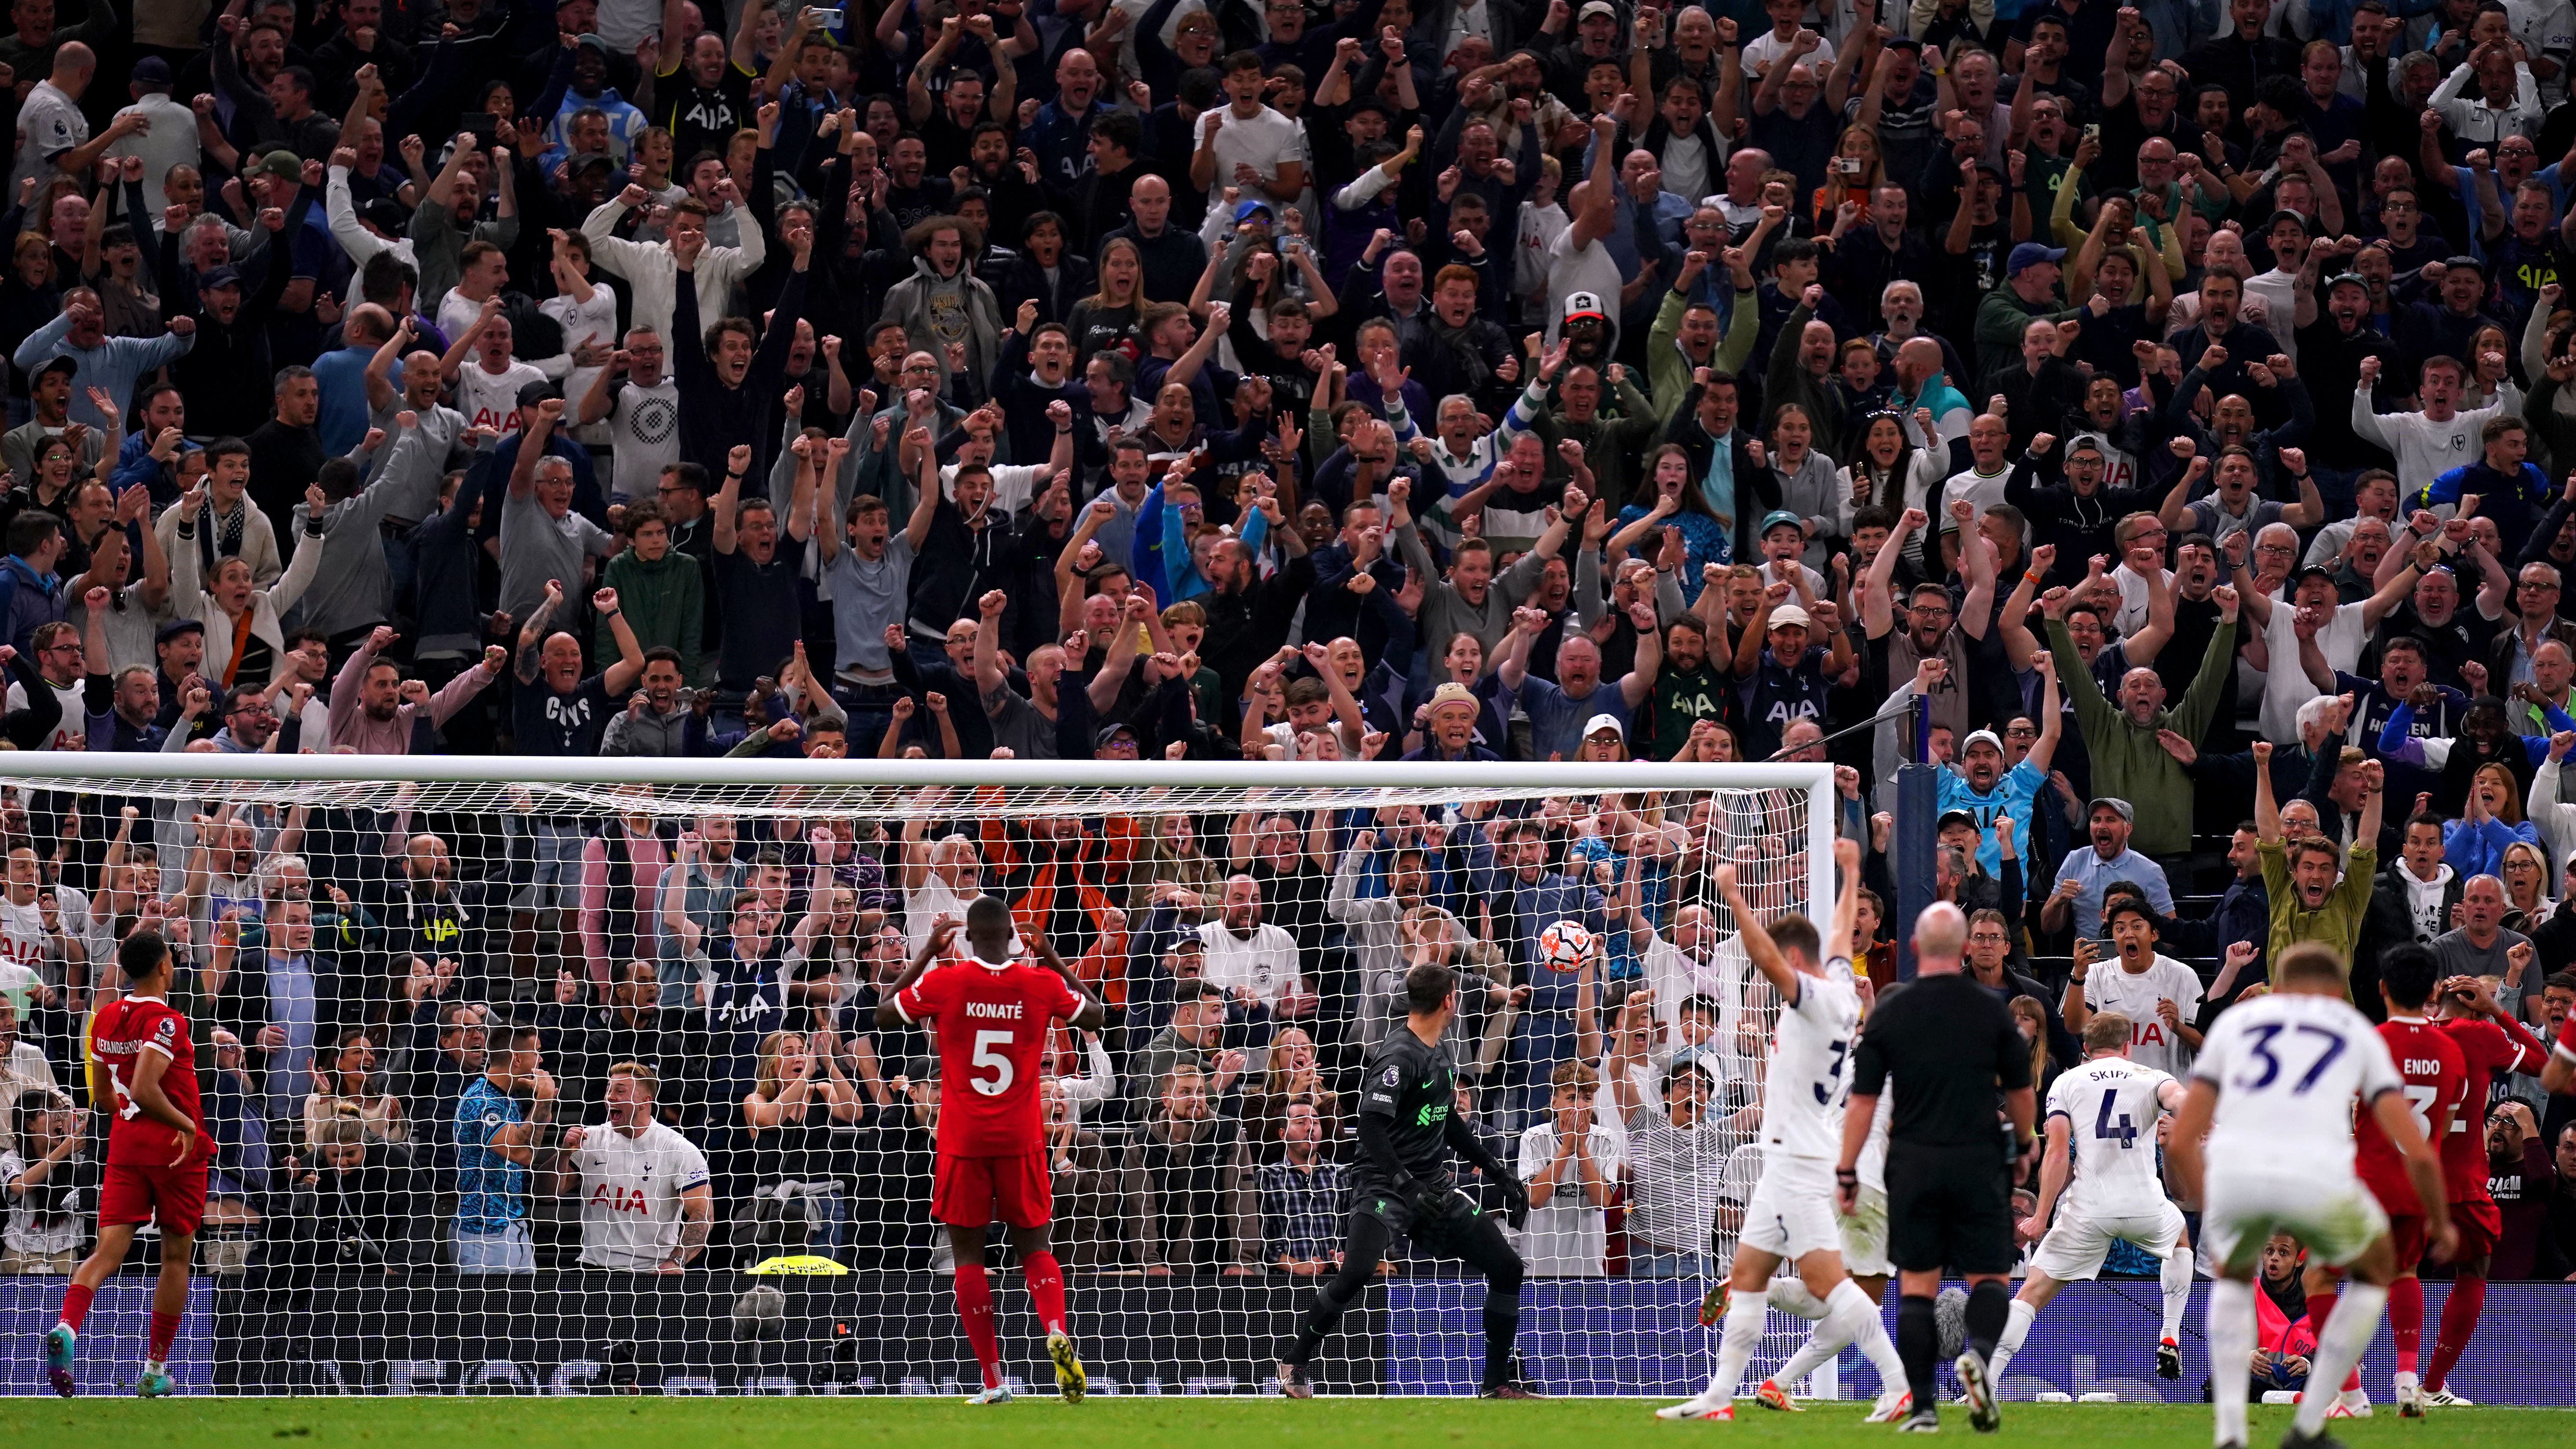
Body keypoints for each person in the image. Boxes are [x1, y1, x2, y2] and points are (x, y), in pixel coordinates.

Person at [1659, 841, 1911, 1424]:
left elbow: (1767, 957)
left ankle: (1898, 1383)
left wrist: (1731, 895)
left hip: (1803, 1158)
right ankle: (1719, 1397)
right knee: (1748, 1275)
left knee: (1829, 1282)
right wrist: (1850, 872)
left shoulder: (1815, 998)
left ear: (1794, 959)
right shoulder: (1846, 990)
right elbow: (1843, 931)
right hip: (1785, 1159)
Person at [2168, 941, 2456, 1449]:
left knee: (2234, 1282)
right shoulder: (2353, 1032)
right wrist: (2440, 1219)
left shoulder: (2236, 1026)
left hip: (2240, 1169)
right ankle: (2312, 1424)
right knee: (2377, 1270)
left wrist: (2208, 1201)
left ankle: (2230, 1432)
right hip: (2316, 1173)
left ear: (2276, 986)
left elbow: (2182, 1135)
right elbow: (2418, 1147)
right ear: (2335, 993)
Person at [873, 897, 1104, 1405]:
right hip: (1022, 1137)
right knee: (1035, 1250)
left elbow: (882, 1014)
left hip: (963, 1141)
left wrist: (926, 956)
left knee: (969, 1260)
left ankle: (994, 1380)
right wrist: (1055, 960)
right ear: (1016, 940)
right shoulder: (1039, 984)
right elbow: (1100, 1015)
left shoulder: (945, 982)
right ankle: (1056, 1329)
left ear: (968, 940)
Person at [1274, 959, 1539, 1400]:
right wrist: (1404, 1185)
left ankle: (1496, 1384)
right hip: (1384, 1185)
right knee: (1357, 1271)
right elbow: (1372, 1127)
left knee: (1507, 1267)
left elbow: (1448, 1119)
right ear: (1449, 1001)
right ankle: (1295, 1361)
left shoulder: (1440, 1048)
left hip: (1432, 1186)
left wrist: (1498, 1172)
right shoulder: (1399, 1054)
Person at [1836, 898, 2034, 1433]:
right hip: (1978, 1158)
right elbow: (2020, 1091)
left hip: (1914, 1163)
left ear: (1918, 948)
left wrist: (1848, 1171)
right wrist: (2023, 1146)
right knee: (1989, 1277)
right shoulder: (1993, 1009)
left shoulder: (1893, 1012)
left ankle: (1922, 1408)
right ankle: (1982, 1358)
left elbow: (1863, 1101)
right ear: (1966, 948)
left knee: (1918, 1287)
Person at [1986, 1012, 2195, 1386]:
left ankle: (1987, 1380)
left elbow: (2056, 1154)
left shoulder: (2066, 1083)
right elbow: (2179, 1098)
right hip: (2144, 1205)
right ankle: (2170, 1332)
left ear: (2085, 1048)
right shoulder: (2152, 1077)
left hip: (2088, 1211)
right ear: (2127, 1047)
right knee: (2180, 1238)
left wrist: (2042, 1216)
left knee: (2031, 1293)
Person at [44, 929, 202, 1398]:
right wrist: (187, 1125)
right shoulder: (168, 1022)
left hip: (125, 1146)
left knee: (107, 1252)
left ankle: (68, 1328)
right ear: (164, 968)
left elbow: (103, 1095)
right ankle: (154, 1369)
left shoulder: (107, 1016)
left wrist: (130, 1115)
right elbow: (149, 1087)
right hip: (175, 1148)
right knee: (176, 1256)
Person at [554, 1060, 712, 1273]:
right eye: (609, 1090)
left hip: (651, 1270)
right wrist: (563, 1154)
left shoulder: (677, 1149)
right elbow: (546, 1194)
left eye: (620, 1091)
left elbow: (703, 1216)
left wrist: (677, 1261)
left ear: (646, 1101)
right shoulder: (591, 1139)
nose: (611, 1097)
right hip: (592, 1265)